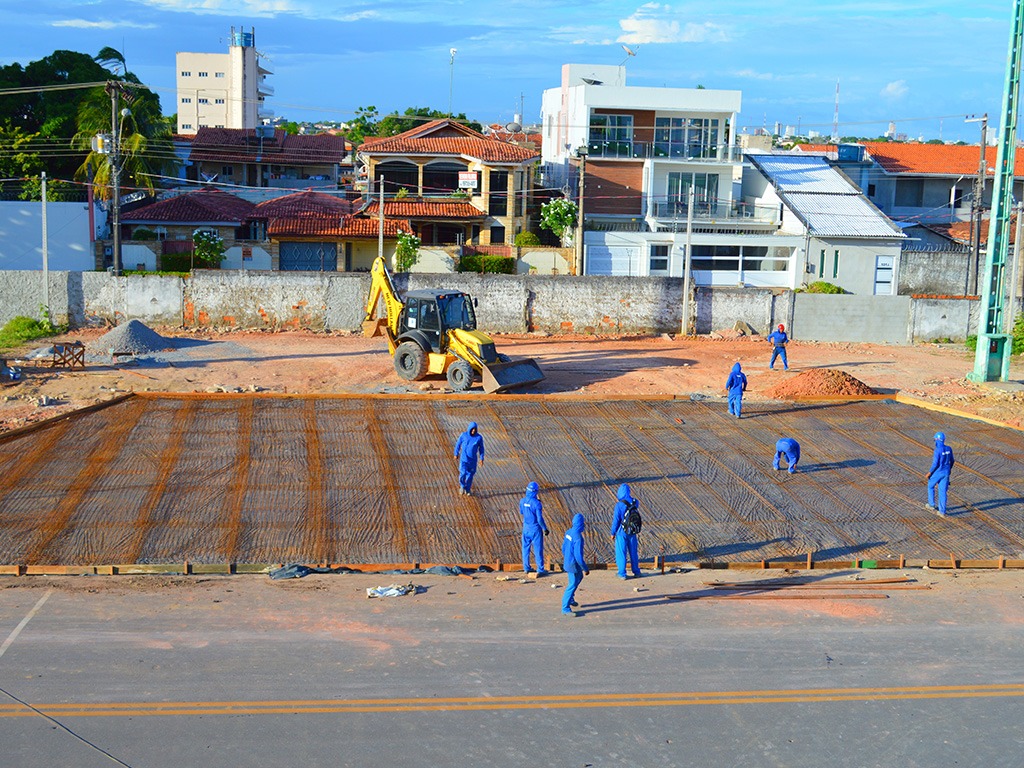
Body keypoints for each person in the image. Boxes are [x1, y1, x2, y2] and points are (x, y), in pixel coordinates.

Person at [610, 483, 642, 579]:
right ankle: (636, 571)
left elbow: (616, 520)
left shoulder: (619, 505)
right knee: (633, 552)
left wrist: (612, 532)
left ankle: (622, 573)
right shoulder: (635, 502)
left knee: (621, 553)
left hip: (621, 531)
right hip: (632, 530)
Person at [561, 513, 589, 616]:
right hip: (573, 564)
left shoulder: (569, 532)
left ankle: (571, 599)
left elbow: (563, 548)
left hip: (569, 561)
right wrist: (585, 568)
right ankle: (565, 607)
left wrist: (567, 557)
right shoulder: (578, 537)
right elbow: (578, 556)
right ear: (581, 524)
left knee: (579, 577)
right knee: (572, 584)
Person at [520, 481, 549, 574]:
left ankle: (526, 568)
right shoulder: (537, 504)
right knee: (538, 549)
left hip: (526, 528)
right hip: (535, 529)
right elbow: (539, 519)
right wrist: (545, 529)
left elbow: (522, 512)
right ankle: (540, 569)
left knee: (525, 548)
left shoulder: (522, 501)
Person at [927, 432, 955, 516]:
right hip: (946, 473)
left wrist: (930, 472)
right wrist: (949, 469)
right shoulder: (949, 449)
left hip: (938, 472)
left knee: (930, 486)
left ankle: (931, 505)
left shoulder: (937, 450)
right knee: (943, 492)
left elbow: (935, 464)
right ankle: (942, 511)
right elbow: (952, 461)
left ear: (937, 440)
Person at [453, 422, 485, 496]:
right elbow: (458, 444)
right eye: (472, 429)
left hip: (473, 461)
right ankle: (462, 486)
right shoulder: (464, 435)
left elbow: (481, 448)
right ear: (469, 429)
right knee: (463, 473)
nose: (473, 431)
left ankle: (467, 489)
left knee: (470, 475)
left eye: (475, 429)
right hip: (464, 459)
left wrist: (481, 458)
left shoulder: (479, 438)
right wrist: (456, 453)